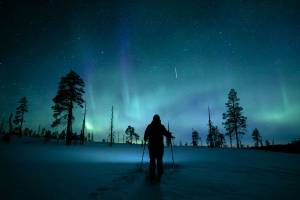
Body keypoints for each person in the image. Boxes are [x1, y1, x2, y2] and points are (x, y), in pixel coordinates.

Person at [144, 114, 173, 183]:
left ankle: (152, 176)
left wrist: (145, 138)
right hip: (159, 147)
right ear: (159, 119)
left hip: (152, 147)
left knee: (152, 161)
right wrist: (170, 135)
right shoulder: (161, 126)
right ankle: (159, 176)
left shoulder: (150, 126)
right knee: (159, 161)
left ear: (153, 119)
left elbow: (145, 135)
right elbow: (166, 133)